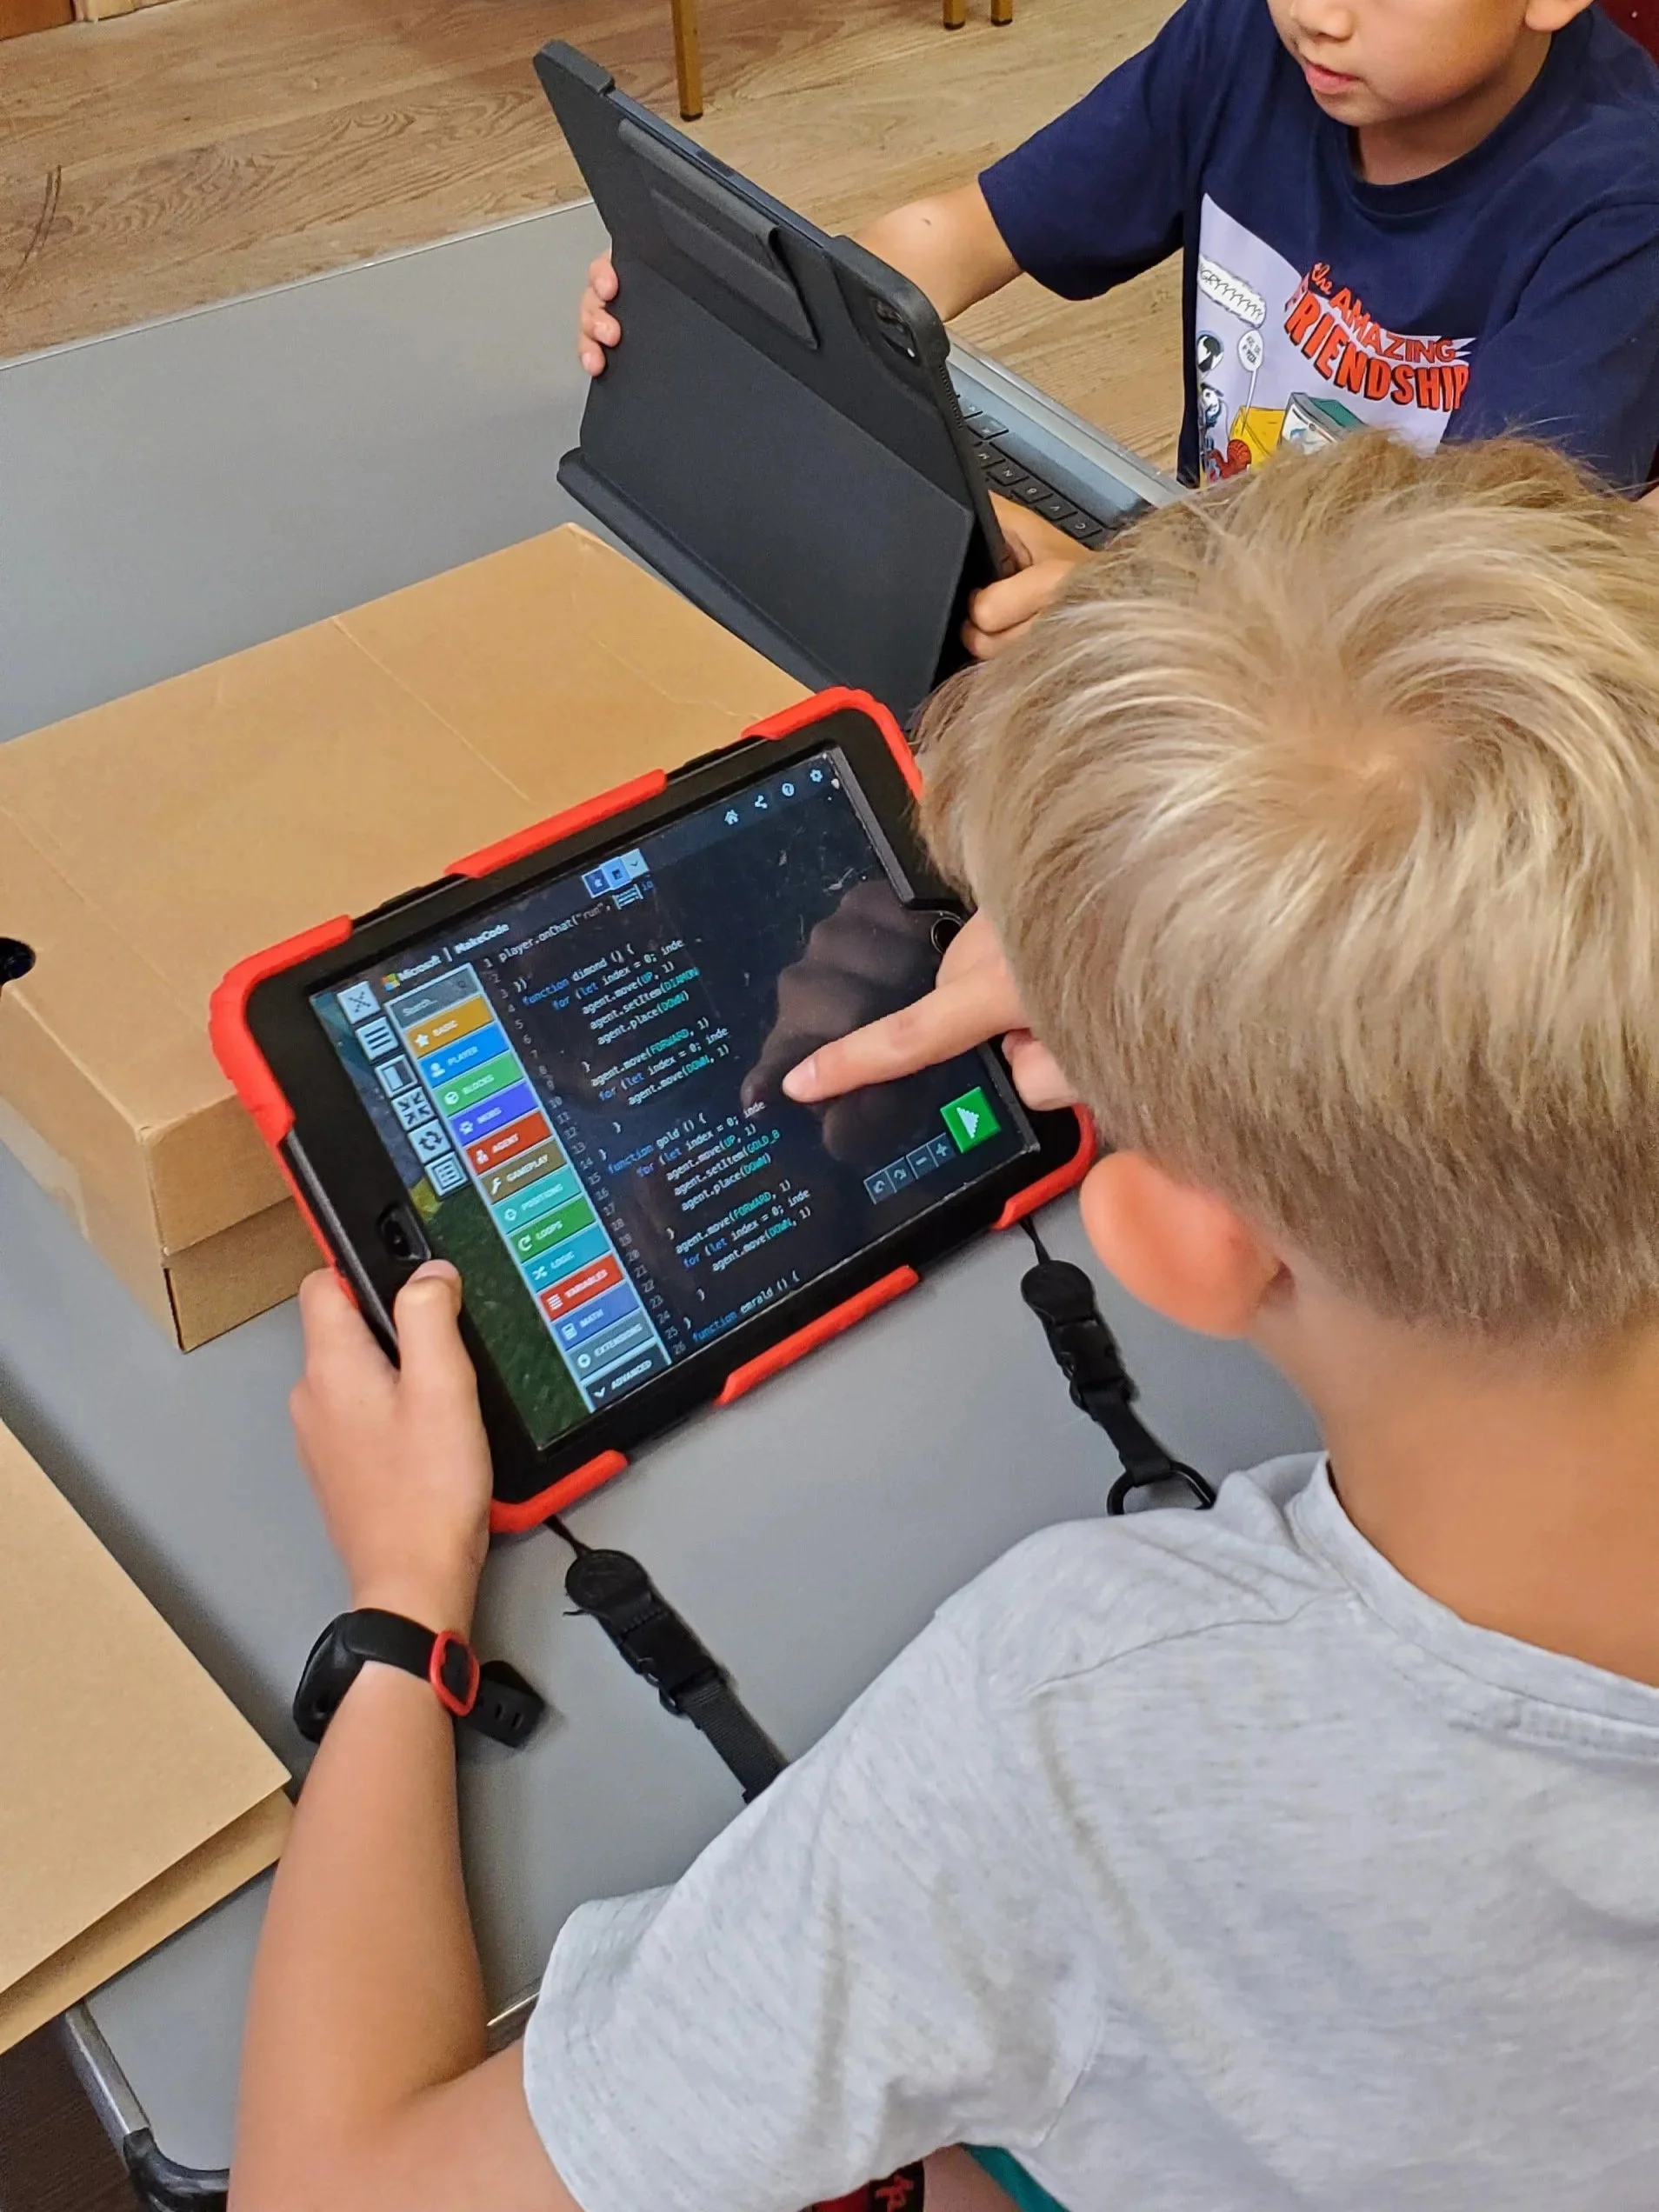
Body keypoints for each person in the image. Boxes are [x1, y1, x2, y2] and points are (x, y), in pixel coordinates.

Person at [230, 432, 1659, 2212]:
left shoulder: (1076, 1732)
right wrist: (1197, 987)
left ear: (1175, 1241)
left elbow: (333, 2193)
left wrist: (395, 1610)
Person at [577, 0, 1659, 656]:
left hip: (1406, 680)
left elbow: (1453, 594)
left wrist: (1135, 601)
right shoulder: (1253, 45)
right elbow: (955, 233)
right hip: (1206, 583)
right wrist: (748, 302)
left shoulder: (1621, 200)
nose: (1318, 20)